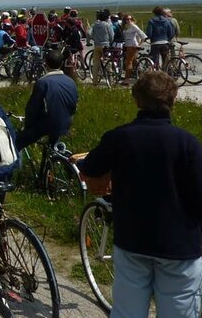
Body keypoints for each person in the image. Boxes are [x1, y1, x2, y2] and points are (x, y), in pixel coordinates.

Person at [77, 71, 202, 318]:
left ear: (136, 100)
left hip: (132, 240)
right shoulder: (188, 144)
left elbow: (90, 168)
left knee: (127, 311)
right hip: (179, 246)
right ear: (173, 101)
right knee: (180, 309)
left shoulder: (120, 137)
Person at [15, 48, 78, 151]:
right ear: (61, 63)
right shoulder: (71, 81)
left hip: (48, 124)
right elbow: (74, 104)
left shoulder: (43, 82)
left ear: (46, 63)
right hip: (66, 122)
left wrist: (28, 126)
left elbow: (32, 108)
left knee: (17, 143)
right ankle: (55, 156)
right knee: (52, 146)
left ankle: (15, 164)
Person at [146, 6, 176, 71]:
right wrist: (167, 39)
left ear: (154, 13)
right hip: (165, 43)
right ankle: (164, 75)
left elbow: (149, 33)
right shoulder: (167, 21)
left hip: (155, 43)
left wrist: (147, 38)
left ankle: (156, 75)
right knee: (165, 60)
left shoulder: (151, 21)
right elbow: (171, 32)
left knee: (155, 61)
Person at [90, 10, 115, 85]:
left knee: (96, 64)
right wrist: (111, 43)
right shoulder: (107, 25)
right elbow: (112, 35)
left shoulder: (94, 25)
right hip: (105, 45)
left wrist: (93, 38)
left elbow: (90, 33)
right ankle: (111, 81)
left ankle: (94, 81)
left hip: (97, 45)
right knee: (108, 63)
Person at [121, 14, 147, 84]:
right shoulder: (125, 27)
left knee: (128, 62)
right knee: (134, 61)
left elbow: (142, 35)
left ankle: (126, 80)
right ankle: (143, 76)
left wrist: (139, 44)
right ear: (124, 20)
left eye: (130, 19)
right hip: (128, 44)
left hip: (132, 45)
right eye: (127, 19)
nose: (129, 20)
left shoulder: (133, 26)